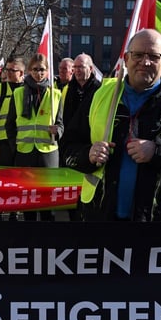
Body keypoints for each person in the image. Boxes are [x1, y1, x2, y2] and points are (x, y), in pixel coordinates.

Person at [61, 29, 161, 221]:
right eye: (138, 55)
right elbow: (67, 148)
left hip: (157, 223)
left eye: (154, 56)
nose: (145, 62)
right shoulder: (98, 98)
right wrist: (88, 154)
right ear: (126, 58)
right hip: (99, 217)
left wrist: (158, 151)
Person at [6, 54, 63, 221]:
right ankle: (29, 234)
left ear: (47, 71)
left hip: (48, 152)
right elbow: (9, 125)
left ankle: (47, 237)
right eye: (35, 69)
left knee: (47, 199)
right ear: (29, 70)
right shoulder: (18, 93)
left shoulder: (56, 94)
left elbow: (61, 124)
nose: (39, 73)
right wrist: (14, 146)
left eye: (42, 69)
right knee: (28, 198)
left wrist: (57, 131)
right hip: (24, 152)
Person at [60, 53, 102, 221]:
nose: (76, 71)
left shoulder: (100, 90)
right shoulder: (67, 90)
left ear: (90, 69)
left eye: (81, 67)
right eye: (74, 67)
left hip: (92, 148)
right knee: (72, 194)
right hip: (72, 148)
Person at [0, 57, 26, 167]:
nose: (8, 73)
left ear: (21, 73)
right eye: (7, 69)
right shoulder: (0, 89)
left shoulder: (28, 90)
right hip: (4, 143)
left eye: (12, 70)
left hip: (23, 142)